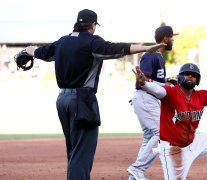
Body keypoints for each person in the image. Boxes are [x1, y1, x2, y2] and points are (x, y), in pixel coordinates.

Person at [23, 9, 165, 180]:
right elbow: (118, 48)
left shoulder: (61, 42)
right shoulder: (91, 42)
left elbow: (39, 52)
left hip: (62, 100)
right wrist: (146, 48)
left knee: (74, 151)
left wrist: (27, 50)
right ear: (92, 25)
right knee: (82, 153)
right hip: (82, 100)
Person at [127, 26, 178, 180]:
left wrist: (166, 81)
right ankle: (137, 168)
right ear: (165, 39)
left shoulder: (159, 57)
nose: (173, 40)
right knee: (161, 133)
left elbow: (153, 80)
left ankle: (136, 175)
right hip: (145, 97)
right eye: (172, 37)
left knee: (151, 136)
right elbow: (142, 79)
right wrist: (164, 85)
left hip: (149, 99)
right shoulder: (151, 55)